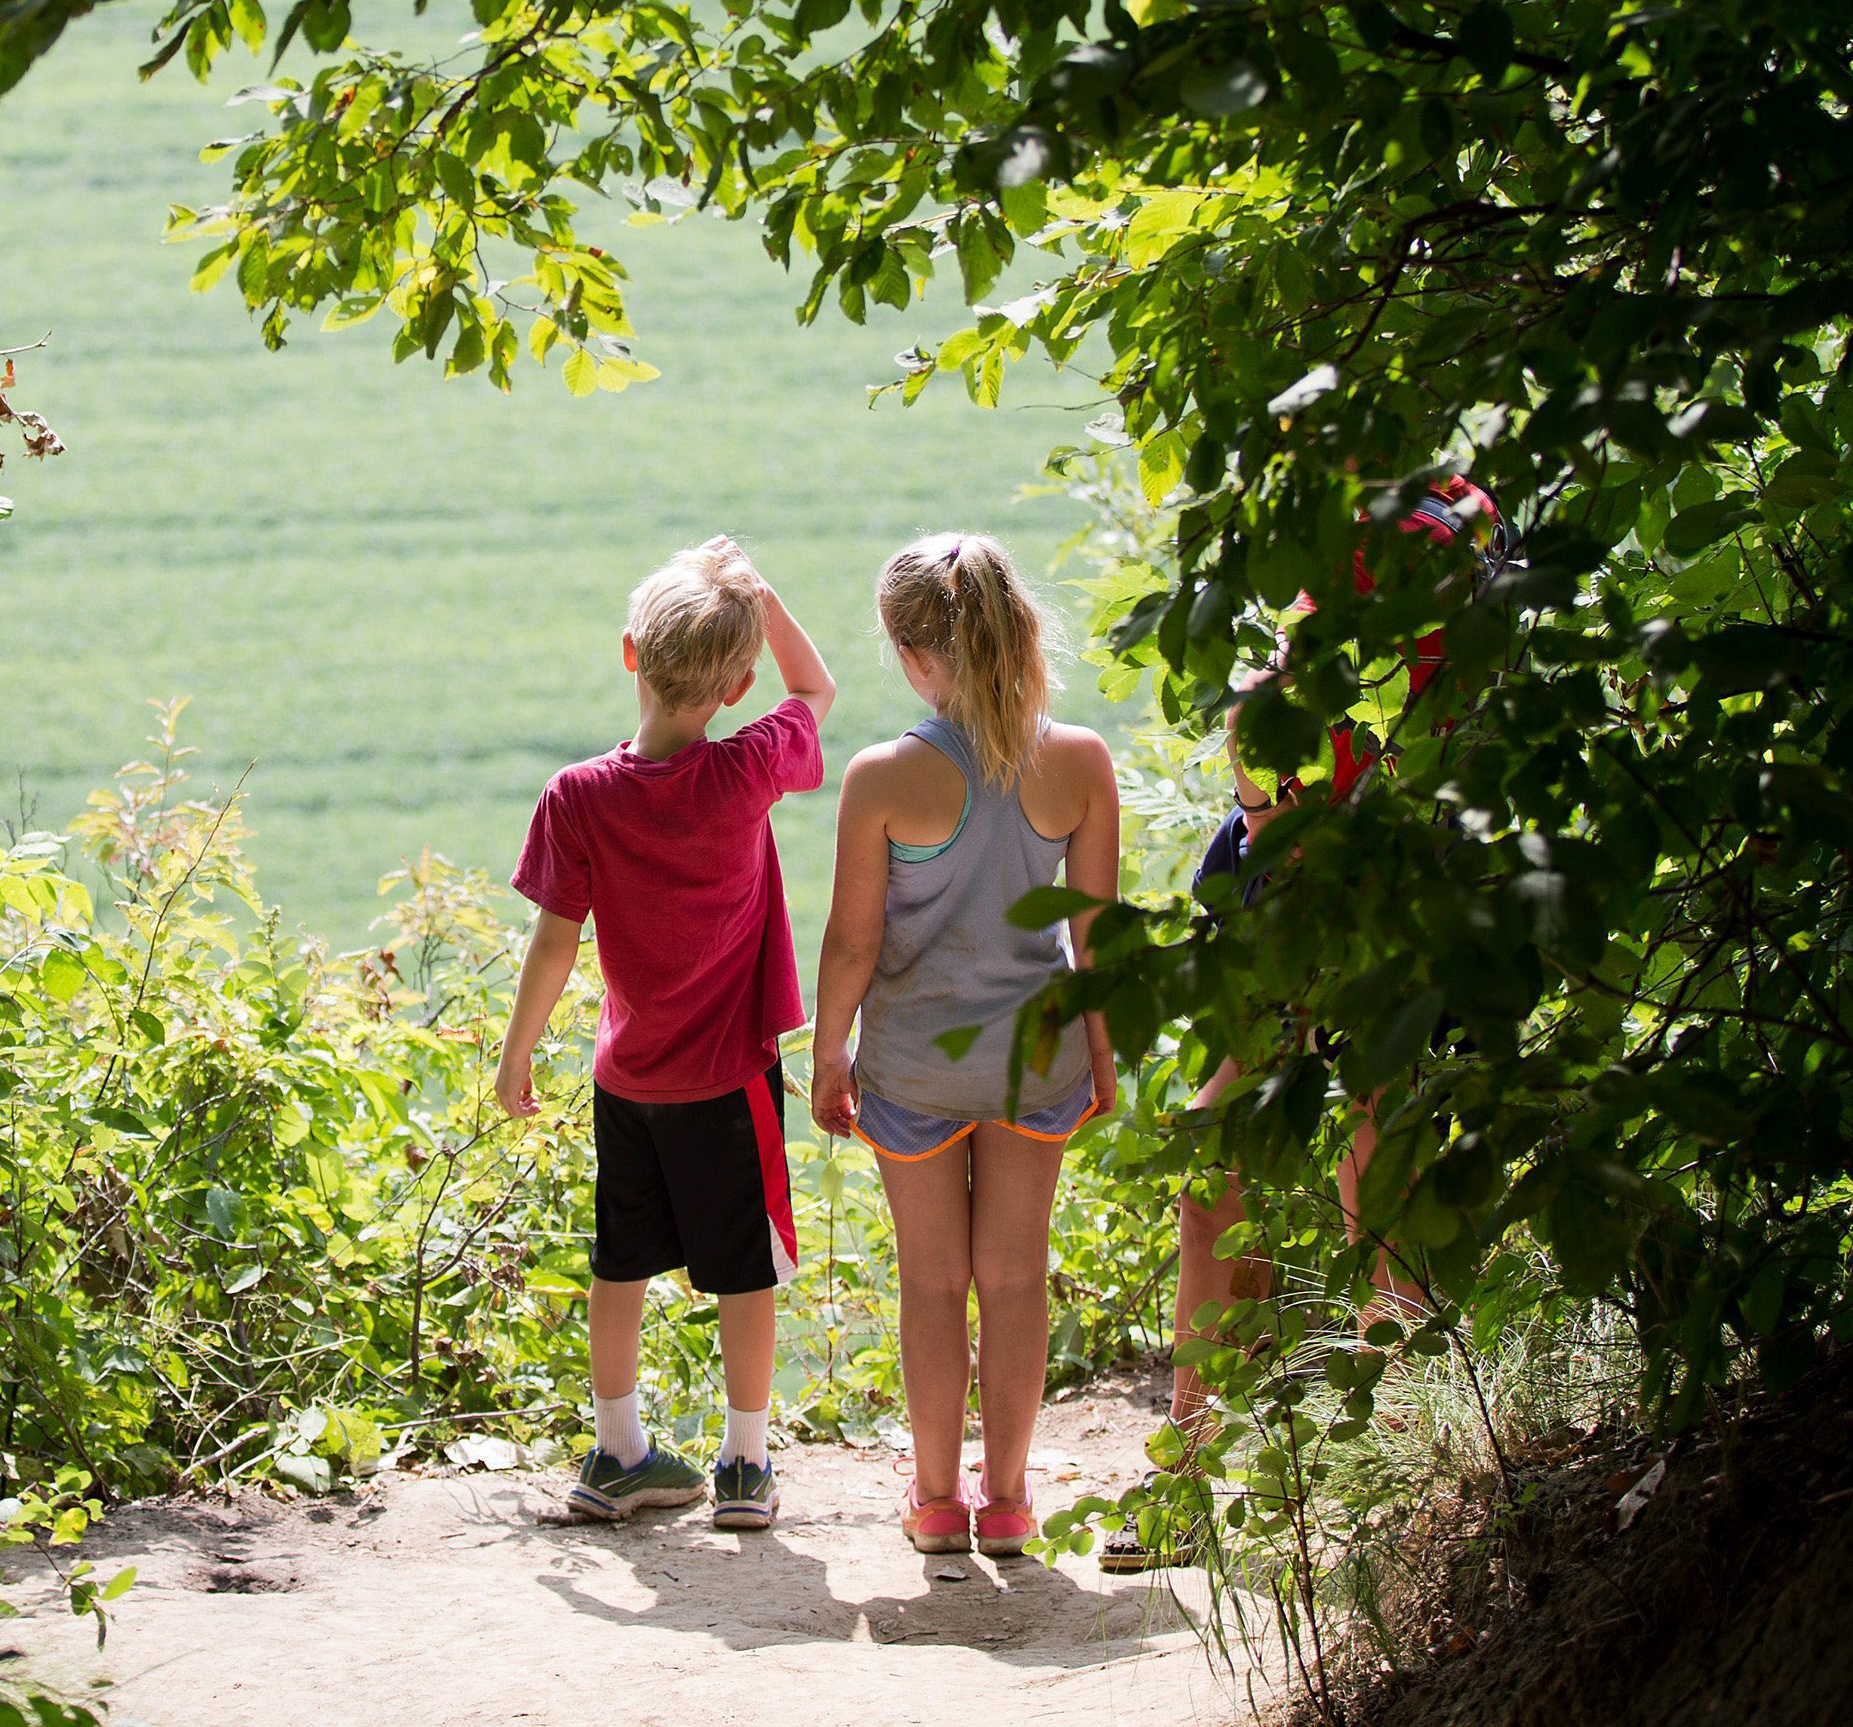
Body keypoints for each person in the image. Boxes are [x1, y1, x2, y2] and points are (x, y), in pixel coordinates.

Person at [1163, 477, 1521, 1439]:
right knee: (1213, 1165)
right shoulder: (1294, 681)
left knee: (1383, 1197)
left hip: (1421, 911)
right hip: (1309, 917)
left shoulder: (1444, 520)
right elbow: (1273, 857)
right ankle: (1192, 1454)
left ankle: (1396, 1459)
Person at [496, 536, 835, 1532]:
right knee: (746, 1267)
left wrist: (518, 1052)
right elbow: (815, 694)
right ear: (735, 687)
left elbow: (556, 940)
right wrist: (762, 600)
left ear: (629, 653)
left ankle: (618, 1451)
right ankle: (744, 1461)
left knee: (621, 1260)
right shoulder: (745, 772)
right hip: (727, 1080)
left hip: (626, 1076)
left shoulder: (578, 796)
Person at [808, 533, 1121, 1560]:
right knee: (1018, 1278)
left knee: (934, 1281)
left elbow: (854, 939)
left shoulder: (884, 777)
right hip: (1041, 1058)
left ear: (910, 651)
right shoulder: (1078, 762)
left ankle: (937, 1499)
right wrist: (1104, 1055)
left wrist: (827, 1054)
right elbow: (1094, 930)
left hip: (915, 1070)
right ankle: (1013, 1500)